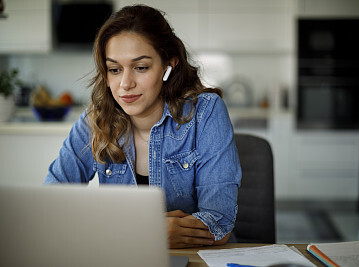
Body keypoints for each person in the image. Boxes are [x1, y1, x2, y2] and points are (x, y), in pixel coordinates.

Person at [44, 4, 241, 249]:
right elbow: (50, 205)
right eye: (114, 69)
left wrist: (107, 228)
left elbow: (219, 224)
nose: (125, 84)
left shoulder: (206, 111)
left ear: (168, 66)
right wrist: (146, 231)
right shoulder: (95, 120)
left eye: (141, 67)